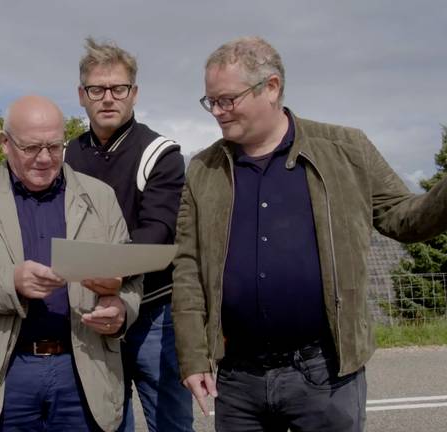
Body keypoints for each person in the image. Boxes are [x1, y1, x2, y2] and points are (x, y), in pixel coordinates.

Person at [172, 36, 447, 432]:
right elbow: (187, 267)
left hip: (325, 374)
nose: (217, 111)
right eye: (210, 101)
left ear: (271, 87)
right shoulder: (203, 170)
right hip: (237, 379)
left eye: (227, 99)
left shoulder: (346, 149)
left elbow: (405, 219)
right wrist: (194, 357)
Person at [0, 95, 143, 431]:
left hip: (83, 368)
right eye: (32, 148)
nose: (45, 158)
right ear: (5, 143)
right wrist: (12, 282)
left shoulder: (101, 197)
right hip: (6, 371)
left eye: (54, 146)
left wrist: (121, 310)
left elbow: (131, 279)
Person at [65, 38, 193, 432]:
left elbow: (156, 233)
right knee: (105, 422)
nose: (108, 98)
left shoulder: (159, 152)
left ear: (133, 93)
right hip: (91, 311)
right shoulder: (67, 155)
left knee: (170, 424)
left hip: (154, 313)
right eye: (96, 89)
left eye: (118, 89)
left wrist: (106, 276)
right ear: (81, 95)